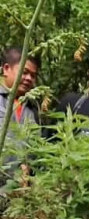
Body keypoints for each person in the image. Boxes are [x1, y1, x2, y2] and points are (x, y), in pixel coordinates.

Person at [0, 47, 41, 177]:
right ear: (6, 69)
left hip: (23, 189)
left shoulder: (34, 108)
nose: (29, 78)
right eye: (24, 72)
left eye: (33, 76)